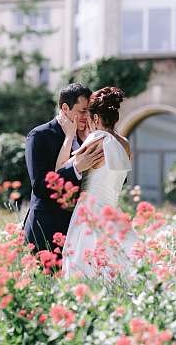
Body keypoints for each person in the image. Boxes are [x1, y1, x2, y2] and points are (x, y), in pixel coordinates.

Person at [60, 87, 139, 278]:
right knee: (114, 265)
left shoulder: (95, 140)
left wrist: (69, 136)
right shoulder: (125, 144)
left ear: (95, 119)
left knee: (84, 266)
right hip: (112, 212)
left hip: (89, 212)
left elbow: (61, 169)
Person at [23, 83, 104, 252]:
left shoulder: (88, 136)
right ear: (65, 108)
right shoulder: (40, 136)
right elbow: (40, 187)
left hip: (81, 233)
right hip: (46, 230)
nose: (87, 116)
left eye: (89, 111)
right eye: (82, 111)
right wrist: (76, 168)